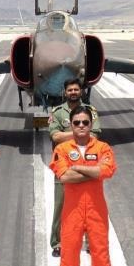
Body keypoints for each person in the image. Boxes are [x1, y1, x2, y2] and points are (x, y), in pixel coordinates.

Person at [51, 106, 118, 266]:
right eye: (77, 122)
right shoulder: (62, 149)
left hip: (97, 211)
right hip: (72, 212)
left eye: (85, 122)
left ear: (91, 125)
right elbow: (65, 176)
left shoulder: (103, 147)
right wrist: (91, 170)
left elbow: (106, 171)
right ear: (71, 125)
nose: (81, 126)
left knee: (101, 258)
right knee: (68, 260)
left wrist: (78, 167)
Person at [48, 78, 101, 257]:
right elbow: (55, 136)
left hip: (87, 163)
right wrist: (80, 132)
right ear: (65, 92)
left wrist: (68, 134)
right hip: (64, 165)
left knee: (88, 205)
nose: (73, 92)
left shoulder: (90, 111)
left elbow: (95, 135)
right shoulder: (57, 112)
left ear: (81, 91)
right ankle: (58, 242)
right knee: (61, 205)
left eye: (76, 89)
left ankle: (89, 241)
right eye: (70, 90)